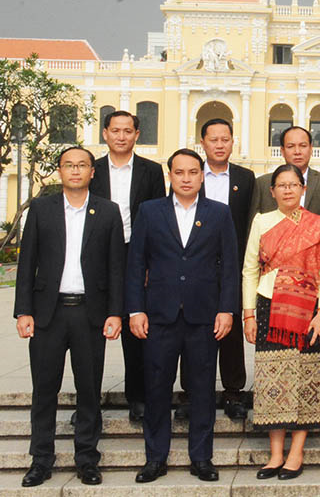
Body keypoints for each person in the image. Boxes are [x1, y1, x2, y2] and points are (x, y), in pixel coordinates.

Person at [125, 149, 239, 484]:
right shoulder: (149, 211)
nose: (186, 178)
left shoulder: (218, 214)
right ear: (170, 176)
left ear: (202, 176)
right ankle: (155, 458)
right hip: (159, 315)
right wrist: (136, 309)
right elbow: (136, 264)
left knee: (203, 390)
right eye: (179, 172)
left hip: (204, 316)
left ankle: (201, 457)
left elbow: (229, 267)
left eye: (193, 172)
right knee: (157, 387)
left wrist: (226, 309)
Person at [14, 146, 125, 488]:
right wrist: (23, 310)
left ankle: (87, 459)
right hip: (48, 314)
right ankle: (41, 460)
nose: (75, 171)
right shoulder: (42, 210)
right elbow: (26, 262)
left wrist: (115, 313)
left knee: (89, 390)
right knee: (44, 390)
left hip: (89, 315)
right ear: (60, 171)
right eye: (68, 165)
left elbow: (116, 268)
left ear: (93, 172)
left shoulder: (107, 211)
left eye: (82, 165)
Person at [242, 164, 320, 481]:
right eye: (281, 185)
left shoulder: (316, 224)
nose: (287, 190)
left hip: (307, 310)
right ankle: (276, 454)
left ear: (303, 188)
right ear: (272, 191)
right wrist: (249, 313)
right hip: (268, 306)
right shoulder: (262, 221)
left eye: (293, 185)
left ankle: (296, 453)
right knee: (273, 380)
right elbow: (249, 269)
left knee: (306, 377)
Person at [176, 118, 256, 422]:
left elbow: (250, 220)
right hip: (195, 266)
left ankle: (234, 392)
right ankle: (192, 392)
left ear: (233, 142)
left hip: (232, 266)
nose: (220, 144)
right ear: (203, 143)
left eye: (225, 139)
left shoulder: (246, 178)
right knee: (193, 330)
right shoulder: (192, 176)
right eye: (214, 140)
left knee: (232, 331)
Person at [89, 109, 165, 423]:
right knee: (90, 335)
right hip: (95, 257)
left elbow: (159, 219)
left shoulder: (151, 171)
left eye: (128, 131)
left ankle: (139, 398)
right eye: (115, 130)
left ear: (136, 135)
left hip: (137, 253)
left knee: (137, 331)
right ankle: (88, 404)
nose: (121, 136)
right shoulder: (90, 169)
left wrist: (152, 263)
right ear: (105, 133)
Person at [250, 126, 320, 232]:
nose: (297, 151)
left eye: (303, 146)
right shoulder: (263, 183)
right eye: (290, 146)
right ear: (282, 150)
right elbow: (253, 229)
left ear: (311, 148)